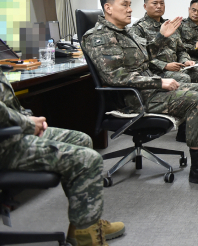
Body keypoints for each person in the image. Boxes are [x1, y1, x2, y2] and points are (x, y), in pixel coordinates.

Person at [82, 0, 198, 185]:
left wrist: (161, 37)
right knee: (197, 100)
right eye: (125, 5)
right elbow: (116, 77)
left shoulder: (125, 33)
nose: (130, 9)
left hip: (149, 91)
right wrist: (159, 82)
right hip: (134, 100)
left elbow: (143, 56)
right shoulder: (100, 37)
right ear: (108, 8)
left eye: (130, 5)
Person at [0, 70, 125, 246]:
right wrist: (27, 124)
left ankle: (83, 226)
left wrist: (30, 118)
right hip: (5, 143)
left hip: (10, 133)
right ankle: (88, 240)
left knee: (82, 140)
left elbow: (7, 104)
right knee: (89, 160)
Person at [131, 0, 198, 83]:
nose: (159, 6)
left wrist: (185, 61)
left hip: (178, 67)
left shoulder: (170, 25)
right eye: (155, 3)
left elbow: (181, 50)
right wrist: (165, 65)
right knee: (184, 78)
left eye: (162, 3)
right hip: (155, 71)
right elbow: (141, 58)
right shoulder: (138, 28)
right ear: (145, 6)